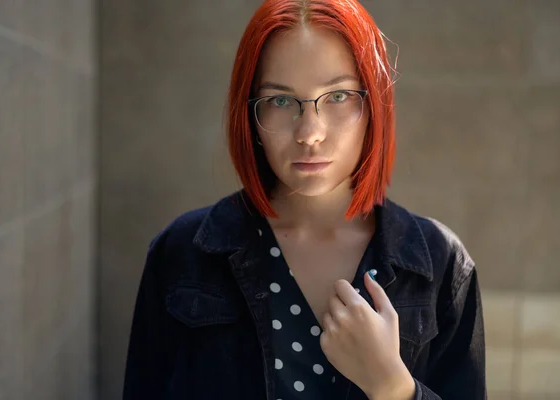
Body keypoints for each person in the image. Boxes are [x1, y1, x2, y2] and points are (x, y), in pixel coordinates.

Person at [122, 0, 487, 399]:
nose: (309, 132)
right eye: (280, 101)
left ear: (374, 107)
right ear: (250, 117)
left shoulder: (440, 263)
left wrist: (393, 387)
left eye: (338, 96)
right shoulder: (182, 252)